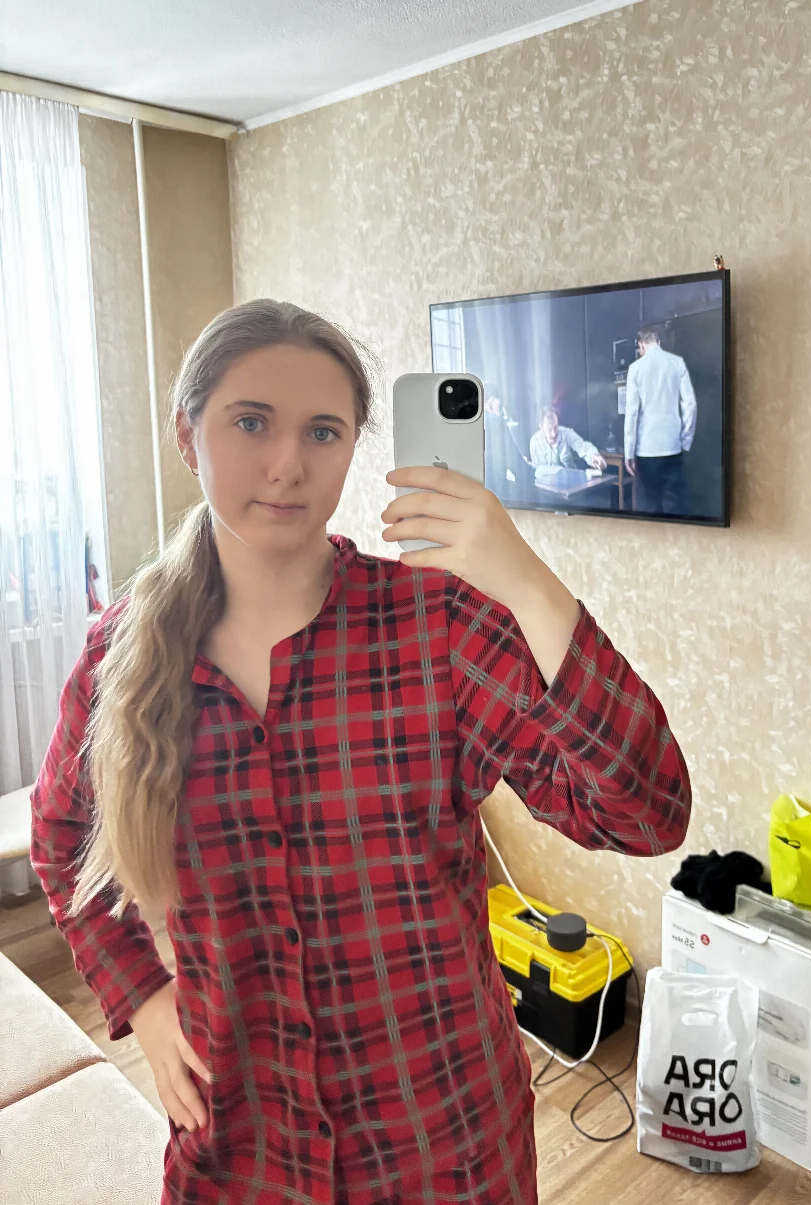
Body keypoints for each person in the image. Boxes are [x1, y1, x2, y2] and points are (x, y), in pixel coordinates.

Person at [29, 299, 692, 1205]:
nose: (288, 465)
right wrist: (141, 996)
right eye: (251, 422)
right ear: (189, 436)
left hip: (447, 1150)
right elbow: (59, 834)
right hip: (242, 1156)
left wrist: (527, 582)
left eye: (323, 431)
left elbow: (646, 812)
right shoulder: (121, 656)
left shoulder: (439, 626)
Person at [623, 326, 697, 514]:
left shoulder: (635, 368)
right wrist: (685, 440)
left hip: (646, 450)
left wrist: (629, 452)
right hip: (673, 447)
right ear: (658, 342)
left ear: (641, 345)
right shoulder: (677, 363)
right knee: (675, 509)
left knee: (649, 510)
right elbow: (690, 404)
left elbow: (631, 413)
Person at [483, 380, 530, 501]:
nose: (499, 411)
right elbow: (517, 465)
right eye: (498, 406)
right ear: (491, 401)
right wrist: (534, 474)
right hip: (494, 499)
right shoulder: (496, 424)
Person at [528, 405, 607, 474]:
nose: (554, 434)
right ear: (541, 427)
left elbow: (583, 447)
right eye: (549, 429)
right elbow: (536, 470)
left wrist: (594, 457)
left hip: (571, 483)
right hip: (546, 484)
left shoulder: (567, 434)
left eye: (555, 427)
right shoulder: (534, 442)